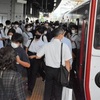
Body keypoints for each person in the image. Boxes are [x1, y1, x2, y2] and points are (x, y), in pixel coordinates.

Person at [36, 27, 72, 100]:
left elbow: (38, 56)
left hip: (49, 70)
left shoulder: (47, 45)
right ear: (60, 35)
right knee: (58, 89)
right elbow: (67, 62)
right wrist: (67, 74)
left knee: (48, 88)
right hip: (59, 71)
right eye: (63, 34)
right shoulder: (64, 46)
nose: (63, 36)